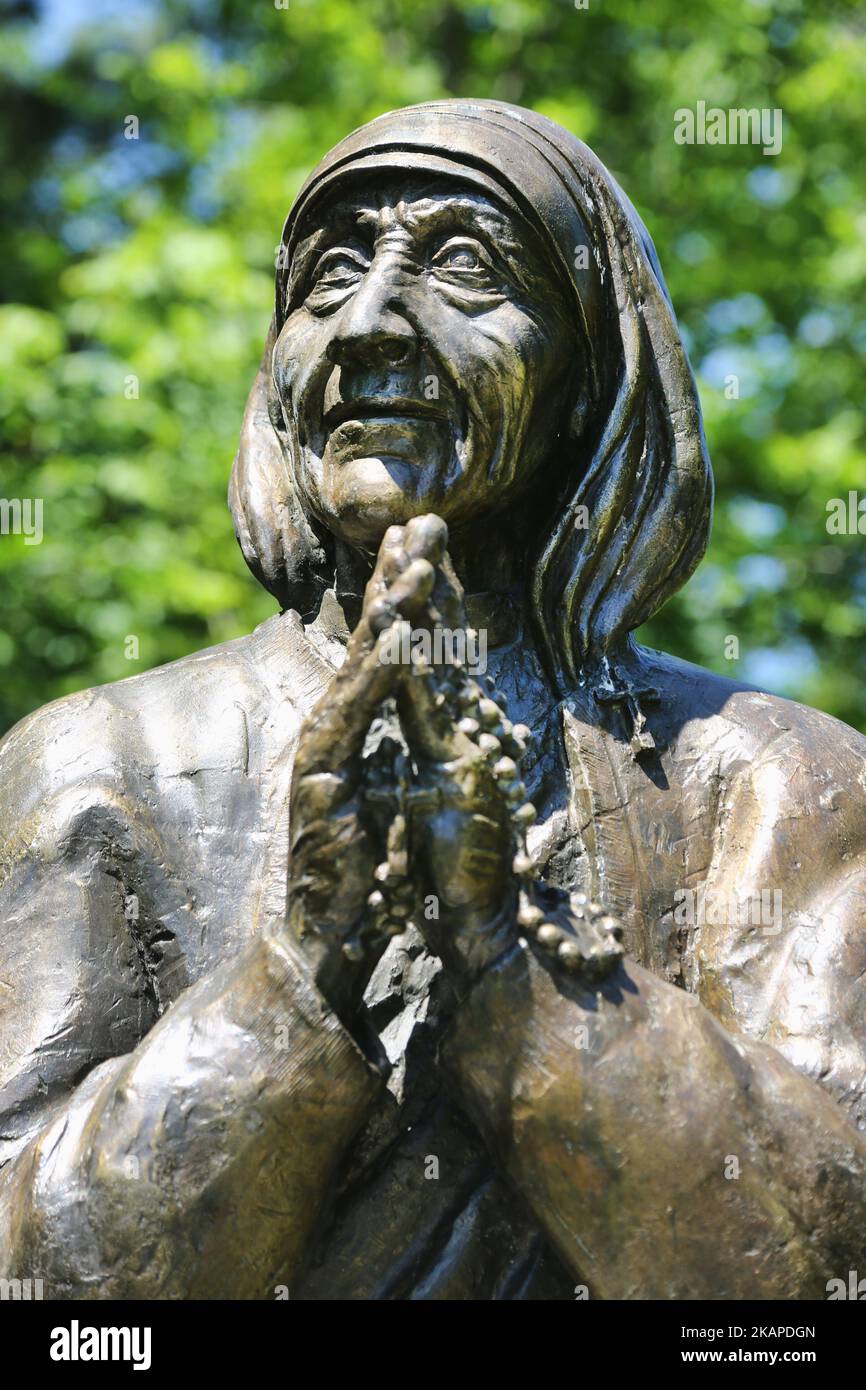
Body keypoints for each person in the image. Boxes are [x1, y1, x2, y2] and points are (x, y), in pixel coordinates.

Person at [1, 101, 864, 1300]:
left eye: (463, 266)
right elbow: (44, 1293)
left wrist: (511, 965)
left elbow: (814, 1284)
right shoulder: (106, 759)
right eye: (328, 277)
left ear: (588, 379)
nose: (366, 323)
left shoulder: (773, 780)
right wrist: (299, 971)